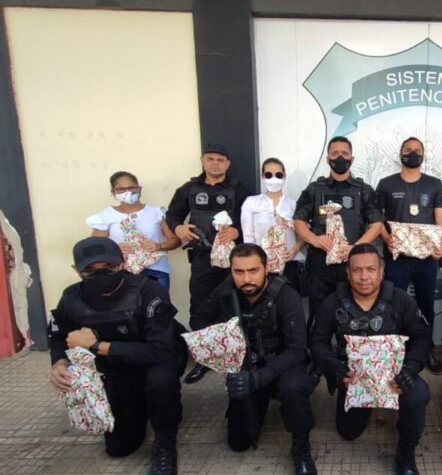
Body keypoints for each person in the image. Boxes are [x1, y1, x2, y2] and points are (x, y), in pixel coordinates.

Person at [48, 237, 182, 475]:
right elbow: (57, 336)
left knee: (160, 383)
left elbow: (159, 350)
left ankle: (165, 442)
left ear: (122, 264)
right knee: (118, 448)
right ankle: (140, 406)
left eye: (109, 267)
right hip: (118, 370)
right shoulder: (72, 298)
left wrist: (98, 345)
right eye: (90, 270)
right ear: (77, 270)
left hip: (156, 361)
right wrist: (59, 362)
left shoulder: (149, 291)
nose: (101, 275)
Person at [310, 244, 432, 475]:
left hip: (395, 378)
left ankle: (406, 454)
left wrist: (410, 369)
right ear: (348, 273)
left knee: (418, 394)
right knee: (348, 433)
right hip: (354, 381)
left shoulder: (401, 299)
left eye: (370, 269)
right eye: (357, 270)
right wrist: (336, 369)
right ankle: (363, 405)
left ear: (382, 272)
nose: (364, 276)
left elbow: (422, 337)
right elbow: (318, 343)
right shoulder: (332, 303)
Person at [199, 243, 317, 475]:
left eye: (253, 270)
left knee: (295, 388)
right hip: (247, 364)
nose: (246, 278)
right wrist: (224, 347)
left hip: (282, 364)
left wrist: (258, 378)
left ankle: (301, 446)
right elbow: (199, 319)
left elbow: (297, 349)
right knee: (239, 442)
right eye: (239, 272)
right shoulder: (225, 291)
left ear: (266, 268)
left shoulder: (285, 295)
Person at [166, 143, 251, 384]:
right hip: (202, 259)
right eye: (210, 159)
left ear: (228, 164)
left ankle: (237, 356)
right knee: (200, 308)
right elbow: (172, 215)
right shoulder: (189, 189)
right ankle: (204, 359)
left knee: (235, 307)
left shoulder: (240, 190)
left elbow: (252, 218)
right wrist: (178, 227)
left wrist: (237, 231)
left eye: (220, 159)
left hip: (232, 260)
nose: (215, 163)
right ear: (202, 160)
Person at [293, 136, 383, 333]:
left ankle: (348, 356)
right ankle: (317, 360)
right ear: (327, 159)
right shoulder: (315, 189)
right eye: (335, 153)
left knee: (353, 318)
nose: (340, 157)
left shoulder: (364, 190)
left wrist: (356, 247)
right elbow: (298, 221)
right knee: (319, 318)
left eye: (344, 153)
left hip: (353, 267)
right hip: (320, 268)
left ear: (352, 158)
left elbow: (376, 224)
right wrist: (314, 239)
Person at [377, 137, 442, 347]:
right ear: (400, 154)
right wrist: (386, 237)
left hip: (427, 259)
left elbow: (441, 220)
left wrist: (441, 245)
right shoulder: (386, 184)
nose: (413, 153)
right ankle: (395, 350)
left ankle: (424, 350)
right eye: (408, 150)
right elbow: (376, 219)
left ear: (423, 155)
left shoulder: (434, 184)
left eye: (417, 150)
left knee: (426, 306)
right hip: (396, 258)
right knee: (393, 305)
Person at [87, 171, 180, 289]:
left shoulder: (157, 212)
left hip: (155, 272)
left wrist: (158, 246)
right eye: (121, 189)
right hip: (121, 272)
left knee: (158, 305)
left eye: (131, 187)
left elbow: (175, 241)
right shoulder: (106, 215)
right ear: (113, 192)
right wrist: (114, 249)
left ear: (139, 189)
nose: (127, 192)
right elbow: (95, 247)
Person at [240, 157, 305, 289]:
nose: (273, 178)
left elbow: (303, 234)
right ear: (262, 177)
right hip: (261, 266)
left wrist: (295, 249)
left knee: (289, 304)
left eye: (278, 175)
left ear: (284, 177)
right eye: (269, 175)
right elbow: (248, 236)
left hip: (289, 264)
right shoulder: (251, 203)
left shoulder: (294, 205)